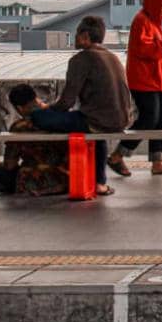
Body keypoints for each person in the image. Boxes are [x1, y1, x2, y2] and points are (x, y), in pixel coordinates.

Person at [30, 16, 134, 196]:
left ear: (85, 36)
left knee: (39, 117)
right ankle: (100, 183)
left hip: (97, 121)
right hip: (121, 120)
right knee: (96, 132)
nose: (75, 39)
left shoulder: (81, 59)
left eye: (77, 34)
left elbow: (66, 102)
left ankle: (60, 174)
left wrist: (47, 110)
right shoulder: (113, 57)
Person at [107, 0, 162, 177]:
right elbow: (146, 50)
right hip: (145, 80)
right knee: (148, 119)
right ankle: (118, 155)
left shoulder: (154, 23)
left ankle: (158, 161)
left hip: (158, 80)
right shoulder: (142, 21)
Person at [0, 85, 69, 197]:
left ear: (19, 108)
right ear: (36, 97)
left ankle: (3, 186)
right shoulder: (59, 116)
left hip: (33, 181)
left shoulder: (18, 127)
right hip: (66, 179)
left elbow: (10, 165)